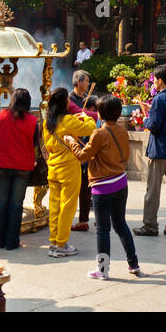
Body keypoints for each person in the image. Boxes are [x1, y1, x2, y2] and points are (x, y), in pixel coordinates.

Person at [63, 95, 143, 279]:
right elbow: (123, 155)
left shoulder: (99, 133)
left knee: (103, 229)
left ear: (101, 114)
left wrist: (71, 141)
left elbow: (83, 156)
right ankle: (133, 263)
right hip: (121, 182)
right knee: (121, 225)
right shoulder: (122, 131)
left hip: (102, 186)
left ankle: (103, 270)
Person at [0, 87, 42, 251]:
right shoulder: (33, 121)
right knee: (16, 204)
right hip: (22, 167)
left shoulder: (2, 115)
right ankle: (12, 242)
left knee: (2, 203)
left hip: (2, 165)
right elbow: (35, 143)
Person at [44, 86, 96, 256]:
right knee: (68, 206)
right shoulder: (67, 120)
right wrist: (85, 117)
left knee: (54, 206)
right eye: (67, 99)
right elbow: (90, 128)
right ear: (64, 102)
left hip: (53, 167)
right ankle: (61, 244)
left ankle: (53, 241)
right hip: (68, 168)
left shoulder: (47, 121)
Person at [136, 65, 166, 238]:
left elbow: (154, 126)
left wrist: (146, 117)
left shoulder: (159, 99)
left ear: (160, 81)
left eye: (154, 80)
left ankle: (150, 225)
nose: (153, 83)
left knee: (152, 191)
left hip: (160, 151)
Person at [67, 69, 98, 233]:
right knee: (72, 185)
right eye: (86, 81)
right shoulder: (69, 100)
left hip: (86, 145)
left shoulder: (86, 100)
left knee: (86, 186)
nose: (87, 84)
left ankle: (83, 220)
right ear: (78, 82)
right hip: (71, 146)